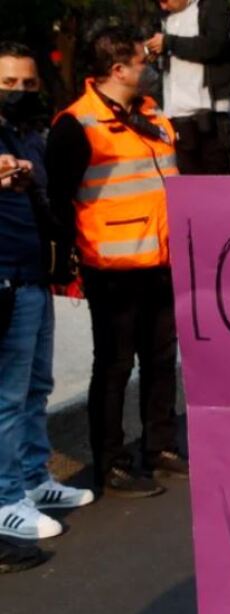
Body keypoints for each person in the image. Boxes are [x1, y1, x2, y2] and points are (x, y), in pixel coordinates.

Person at [46, 26, 188, 499]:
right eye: (143, 60)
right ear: (118, 69)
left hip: (162, 260)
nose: (150, 66)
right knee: (114, 366)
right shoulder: (76, 124)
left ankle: (160, 447)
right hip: (111, 270)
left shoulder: (154, 117)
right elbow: (58, 200)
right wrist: (67, 266)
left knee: (161, 359)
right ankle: (111, 464)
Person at [0, 42, 94, 571]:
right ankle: (5, 497)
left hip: (34, 275)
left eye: (28, 83)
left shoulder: (27, 134)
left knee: (36, 386)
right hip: (5, 278)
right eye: (8, 83)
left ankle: (35, 478)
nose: (19, 91)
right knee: (7, 397)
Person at [145, 0, 230, 175]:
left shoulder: (213, 7)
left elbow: (214, 46)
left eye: (165, 1)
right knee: (187, 182)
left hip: (209, 112)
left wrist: (170, 43)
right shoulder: (163, 18)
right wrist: (154, 52)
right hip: (175, 114)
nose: (163, 7)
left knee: (217, 182)